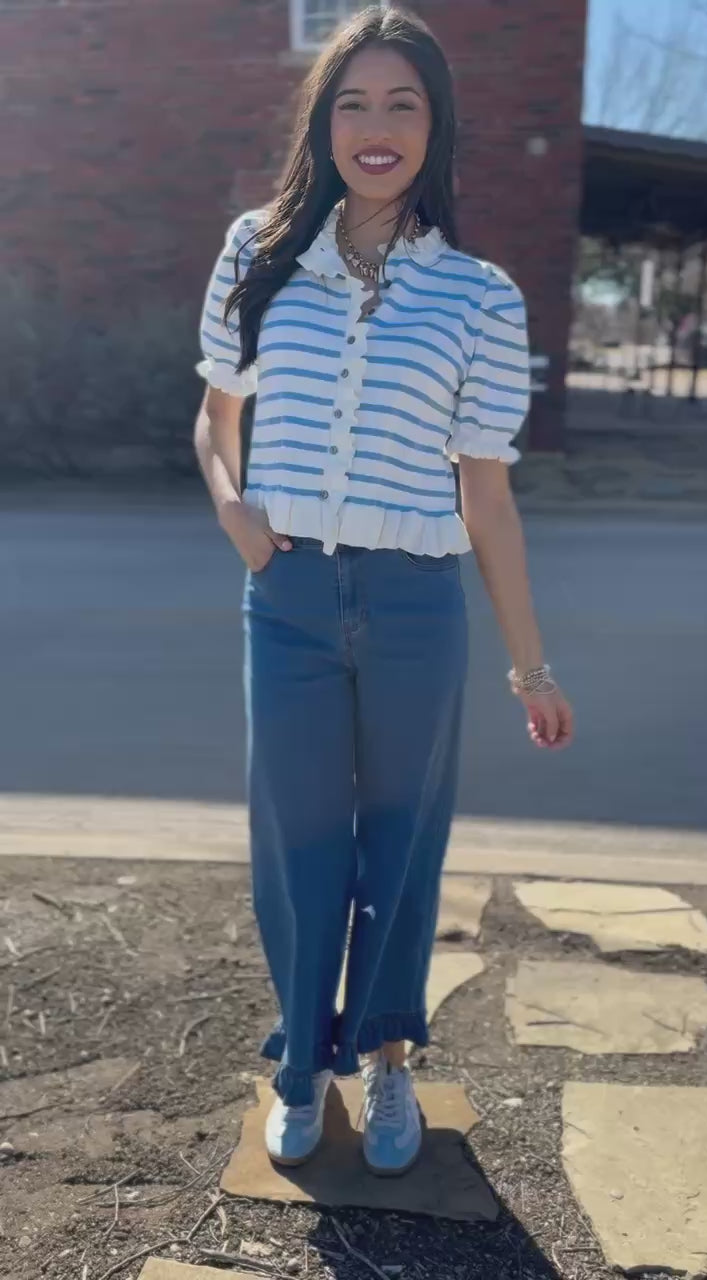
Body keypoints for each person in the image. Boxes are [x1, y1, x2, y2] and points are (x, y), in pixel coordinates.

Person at [193, 5, 574, 1178]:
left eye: (402, 104)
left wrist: (530, 665)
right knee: (296, 840)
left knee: (404, 840)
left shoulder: (480, 296)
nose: (377, 124)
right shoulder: (258, 253)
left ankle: (389, 1052)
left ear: (433, 127)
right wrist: (236, 513)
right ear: (324, 123)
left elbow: (487, 495)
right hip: (289, 595)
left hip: (417, 604)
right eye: (353, 101)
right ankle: (302, 1059)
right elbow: (215, 418)